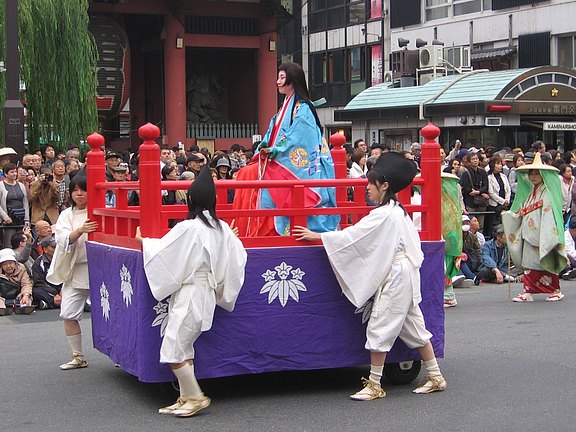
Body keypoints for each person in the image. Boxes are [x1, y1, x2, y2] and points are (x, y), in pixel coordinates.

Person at [293, 152, 446, 400]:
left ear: (384, 185)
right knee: (414, 326)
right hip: (403, 272)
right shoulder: (396, 210)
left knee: (380, 325)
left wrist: (318, 236)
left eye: (370, 185)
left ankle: (375, 384)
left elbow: (353, 237)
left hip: (397, 275)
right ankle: (436, 376)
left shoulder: (384, 214)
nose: (367, 189)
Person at [136, 166, 247, 417]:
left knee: (174, 346)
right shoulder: (222, 228)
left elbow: (166, 251)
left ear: (191, 200)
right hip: (204, 290)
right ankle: (185, 396)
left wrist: (145, 243)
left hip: (192, 291)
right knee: (184, 346)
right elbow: (237, 256)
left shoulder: (190, 227)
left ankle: (195, 396)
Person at [234, 62, 339, 237]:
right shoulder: (285, 107)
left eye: (282, 77)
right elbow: (271, 133)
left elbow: (300, 138)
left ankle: (261, 229)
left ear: (293, 79)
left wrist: (277, 149)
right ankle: (248, 228)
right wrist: (264, 146)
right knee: (246, 173)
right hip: (276, 159)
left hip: (292, 165)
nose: (278, 81)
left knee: (251, 175)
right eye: (278, 77)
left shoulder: (303, 109)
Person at [47, 174, 99, 369]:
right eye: (75, 190)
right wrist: (80, 230)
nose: (79, 194)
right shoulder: (66, 215)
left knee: (110, 314)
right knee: (68, 313)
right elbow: (61, 239)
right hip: (74, 269)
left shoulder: (100, 210)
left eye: (83, 190)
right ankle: (78, 356)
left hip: (98, 268)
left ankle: (119, 355)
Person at [502, 153, 567, 302]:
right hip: (529, 234)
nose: (533, 176)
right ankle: (528, 292)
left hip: (542, 233)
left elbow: (548, 215)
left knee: (547, 261)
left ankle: (555, 290)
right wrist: (510, 215)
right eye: (531, 174)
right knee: (529, 264)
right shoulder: (532, 192)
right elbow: (523, 210)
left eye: (537, 173)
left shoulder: (546, 192)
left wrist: (546, 234)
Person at [0, 163, 31, 248]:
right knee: (9, 243)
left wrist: (26, 219)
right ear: (6, 174)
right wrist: (5, 217)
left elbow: (25, 202)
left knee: (22, 242)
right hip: (8, 220)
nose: (15, 174)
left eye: (15, 172)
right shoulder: (1, 185)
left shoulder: (20, 185)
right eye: (12, 172)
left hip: (21, 218)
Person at [459, 152, 489, 229]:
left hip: (481, 203)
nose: (475, 161)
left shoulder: (483, 172)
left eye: (477, 159)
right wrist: (480, 193)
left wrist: (478, 192)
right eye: (473, 159)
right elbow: (466, 188)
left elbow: (485, 186)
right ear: (469, 162)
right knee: (471, 224)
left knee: (480, 225)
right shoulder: (466, 173)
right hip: (470, 202)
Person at [0, 248, 34, 315]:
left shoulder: (21, 268)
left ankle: (24, 307)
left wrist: (26, 294)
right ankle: (2, 309)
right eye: (5, 264)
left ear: (15, 263)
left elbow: (26, 283)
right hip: (2, 295)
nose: (8, 266)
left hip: (17, 295)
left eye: (10, 263)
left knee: (27, 296)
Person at [32, 235, 62, 310]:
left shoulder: (62, 259)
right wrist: (55, 293)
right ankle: (60, 303)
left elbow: (67, 276)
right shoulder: (38, 263)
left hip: (62, 287)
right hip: (48, 289)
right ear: (45, 249)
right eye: (53, 247)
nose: (56, 249)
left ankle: (48, 304)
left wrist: (62, 290)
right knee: (36, 291)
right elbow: (39, 282)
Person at [485, 156, 511, 237]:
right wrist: (502, 201)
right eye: (498, 164)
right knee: (493, 227)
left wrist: (507, 200)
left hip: (505, 205)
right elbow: (491, 193)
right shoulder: (489, 177)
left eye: (500, 164)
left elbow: (508, 189)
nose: (500, 166)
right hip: (494, 205)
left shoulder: (503, 176)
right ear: (493, 165)